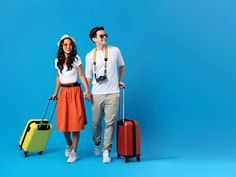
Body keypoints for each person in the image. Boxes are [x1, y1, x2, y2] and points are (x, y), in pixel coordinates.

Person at [85, 27, 125, 163]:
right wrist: (86, 90)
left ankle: (106, 150)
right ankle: (97, 143)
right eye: (101, 36)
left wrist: (120, 80)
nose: (105, 38)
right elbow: (88, 76)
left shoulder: (115, 50)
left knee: (110, 123)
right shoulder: (89, 55)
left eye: (105, 35)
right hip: (96, 93)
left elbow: (122, 65)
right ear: (94, 39)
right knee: (96, 123)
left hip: (113, 92)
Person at [50, 34, 90, 163]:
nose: (68, 46)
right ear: (61, 46)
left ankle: (74, 152)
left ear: (73, 46)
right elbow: (58, 78)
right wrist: (55, 93)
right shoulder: (57, 61)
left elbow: (81, 75)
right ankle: (69, 144)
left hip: (75, 92)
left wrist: (87, 89)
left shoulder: (76, 59)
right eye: (65, 44)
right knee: (64, 123)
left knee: (75, 123)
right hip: (63, 92)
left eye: (70, 44)